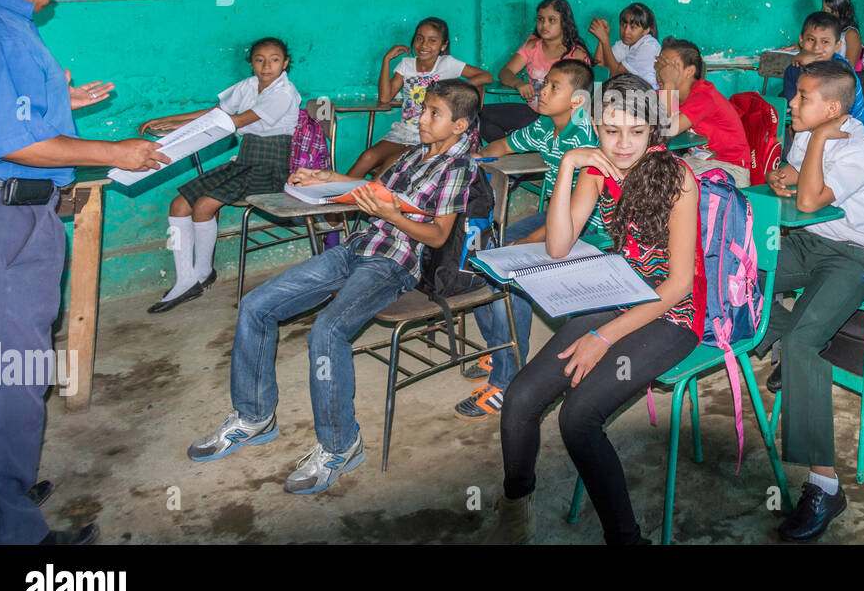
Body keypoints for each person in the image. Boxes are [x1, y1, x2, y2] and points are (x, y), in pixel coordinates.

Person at [187, 79, 480, 495]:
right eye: (423, 109)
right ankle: (255, 418)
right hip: (357, 247)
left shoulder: (458, 168)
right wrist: (326, 178)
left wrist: (391, 214)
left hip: (395, 263)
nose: (421, 118)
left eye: (434, 113)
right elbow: (371, 191)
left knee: (328, 330)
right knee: (257, 305)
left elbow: (435, 236)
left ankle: (341, 445)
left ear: (460, 125)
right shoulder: (414, 154)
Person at [0, 0, 166, 544]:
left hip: (1, 214)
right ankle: (15, 535)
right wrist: (116, 150)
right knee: (7, 374)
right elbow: (18, 141)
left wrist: (61, 103)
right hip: (3, 223)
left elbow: (5, 116)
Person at [485, 74, 699, 544]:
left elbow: (680, 284)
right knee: (520, 399)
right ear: (595, 126)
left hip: (672, 315)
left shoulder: (677, 178)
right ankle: (515, 509)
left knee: (577, 417)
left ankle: (627, 539)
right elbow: (559, 245)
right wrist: (568, 166)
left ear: (654, 131)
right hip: (619, 292)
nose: (623, 145)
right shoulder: (596, 170)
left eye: (636, 131)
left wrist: (603, 338)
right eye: (610, 130)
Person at [762, 60, 864, 541]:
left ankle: (825, 486)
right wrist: (783, 176)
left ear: (833, 109)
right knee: (732, 276)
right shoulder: (806, 130)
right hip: (806, 241)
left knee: (801, 347)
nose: (791, 103)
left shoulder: (857, 149)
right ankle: (783, 345)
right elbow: (795, 180)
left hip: (854, 257)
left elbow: (813, 198)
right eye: (795, 95)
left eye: (802, 98)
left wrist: (817, 141)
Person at [459, 59, 601, 418]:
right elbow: (501, 147)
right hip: (554, 216)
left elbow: (573, 218)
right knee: (478, 253)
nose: (542, 90)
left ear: (578, 101)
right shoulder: (543, 126)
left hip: (588, 226)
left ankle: (507, 382)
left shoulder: (586, 138)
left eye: (554, 86)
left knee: (512, 269)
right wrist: (465, 161)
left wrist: (524, 245)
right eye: (545, 83)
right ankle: (500, 348)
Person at [139, 37, 302, 314]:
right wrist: (172, 120)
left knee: (204, 205)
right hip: (245, 161)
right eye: (260, 59)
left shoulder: (284, 92)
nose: (266, 66)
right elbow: (218, 112)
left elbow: (236, 121)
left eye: (274, 59)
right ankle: (186, 279)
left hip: (271, 167)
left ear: (285, 63)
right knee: (179, 204)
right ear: (251, 63)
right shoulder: (249, 86)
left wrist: (180, 133)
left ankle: (202, 273)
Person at [347, 17, 492, 179]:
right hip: (403, 132)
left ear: (443, 45)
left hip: (431, 136)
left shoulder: (447, 64)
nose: (424, 45)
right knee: (367, 157)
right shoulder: (406, 64)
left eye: (432, 41)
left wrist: (451, 90)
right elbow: (385, 97)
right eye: (419, 38)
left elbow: (485, 76)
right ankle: (333, 198)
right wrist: (386, 59)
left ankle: (366, 200)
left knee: (391, 165)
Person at [479, 0, 591, 143]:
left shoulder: (576, 54)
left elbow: (582, 96)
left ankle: (531, 145)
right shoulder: (532, 46)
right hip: (534, 113)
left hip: (560, 118)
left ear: (564, 22)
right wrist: (519, 84)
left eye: (552, 20)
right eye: (540, 19)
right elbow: (505, 72)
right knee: (483, 116)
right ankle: (520, 151)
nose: (544, 24)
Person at [654, 36, 752, 186]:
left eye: (669, 67)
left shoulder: (704, 95)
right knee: (652, 170)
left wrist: (668, 82)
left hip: (730, 168)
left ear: (689, 71)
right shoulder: (671, 94)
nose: (662, 71)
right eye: (660, 65)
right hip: (699, 161)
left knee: (667, 181)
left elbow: (666, 130)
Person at [781, 11, 864, 140]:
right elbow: (796, 108)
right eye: (811, 39)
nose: (817, 47)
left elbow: (834, 113)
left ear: (837, 46)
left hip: (852, 133)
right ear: (801, 40)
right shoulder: (793, 70)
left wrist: (811, 61)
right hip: (813, 130)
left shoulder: (842, 69)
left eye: (825, 42)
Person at [590, 1, 661, 87]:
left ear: (646, 31)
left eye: (633, 27)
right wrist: (601, 39)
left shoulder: (650, 46)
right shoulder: (622, 45)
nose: (626, 32)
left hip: (646, 97)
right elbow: (600, 70)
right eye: (623, 25)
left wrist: (605, 40)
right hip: (625, 95)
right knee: (597, 90)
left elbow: (615, 74)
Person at [821, 0, 864, 72]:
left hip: (843, 79)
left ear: (841, 12)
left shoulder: (851, 34)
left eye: (828, 11)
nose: (824, 14)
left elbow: (848, 69)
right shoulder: (827, 30)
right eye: (823, 9)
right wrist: (800, 49)